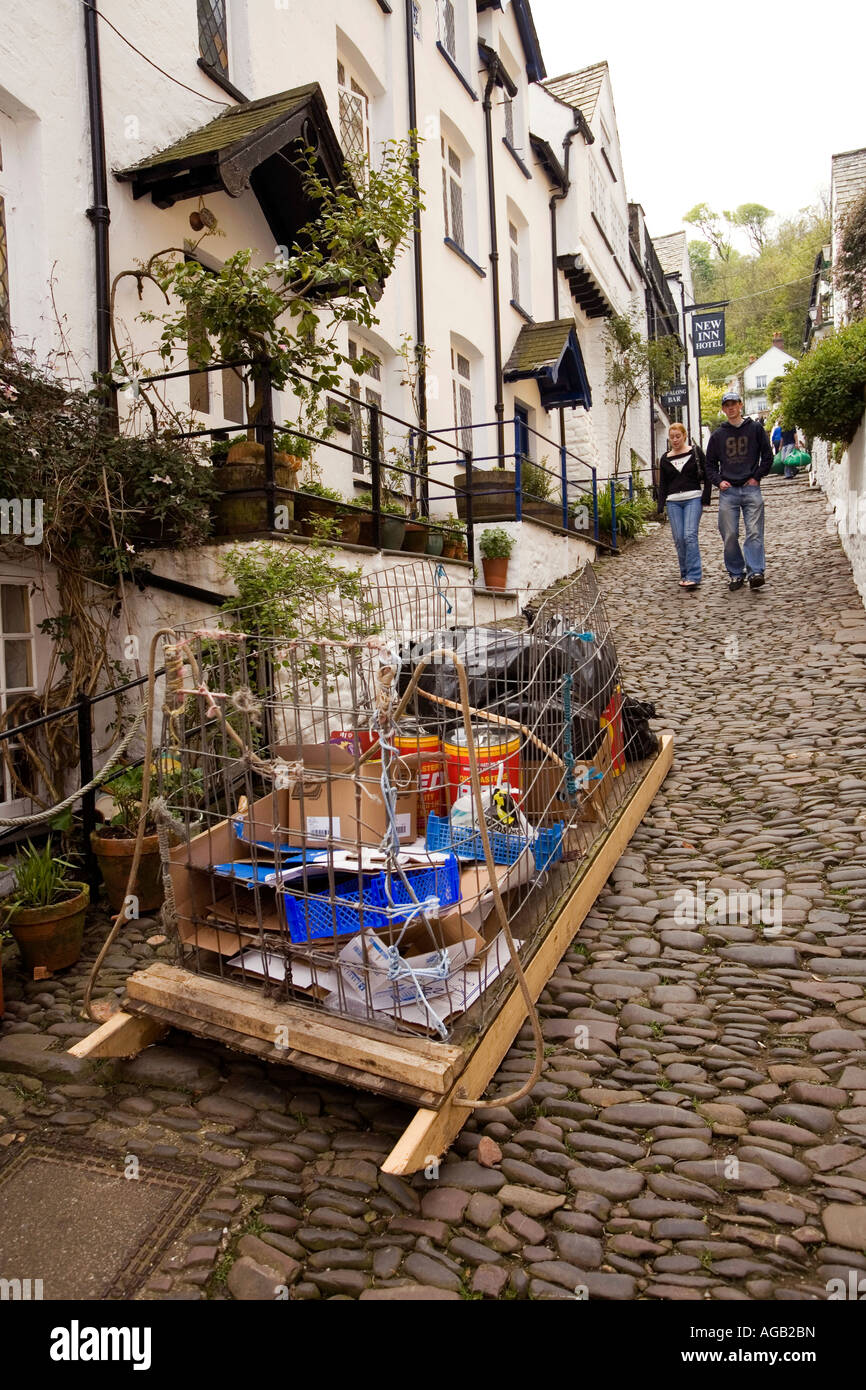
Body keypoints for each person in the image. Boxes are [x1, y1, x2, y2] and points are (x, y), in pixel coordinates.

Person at [705, 388, 774, 592]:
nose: (731, 408)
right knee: (729, 534)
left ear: (740, 405)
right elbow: (710, 465)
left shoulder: (755, 429)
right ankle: (736, 573)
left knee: (754, 531)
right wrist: (719, 482)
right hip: (729, 492)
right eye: (727, 405)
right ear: (723, 409)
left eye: (734, 404)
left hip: (750, 489)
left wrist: (757, 476)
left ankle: (755, 572)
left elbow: (767, 456)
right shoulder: (718, 435)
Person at [657, 420, 711, 590]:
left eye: (678, 436)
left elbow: (708, 473)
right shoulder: (665, 459)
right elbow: (663, 483)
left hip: (693, 498)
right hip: (673, 501)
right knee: (679, 539)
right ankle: (685, 573)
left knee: (689, 535)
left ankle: (694, 575)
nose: (675, 440)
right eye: (672, 437)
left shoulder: (694, 452)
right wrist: (660, 504)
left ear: (684, 436)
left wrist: (706, 496)